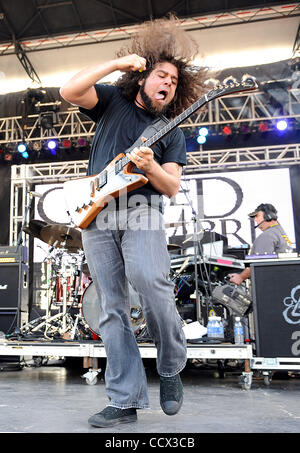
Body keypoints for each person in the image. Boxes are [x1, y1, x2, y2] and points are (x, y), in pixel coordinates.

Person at [60, 15, 206, 428]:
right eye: (162, 75)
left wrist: (150, 166)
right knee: (111, 307)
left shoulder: (172, 132)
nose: (168, 84)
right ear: (142, 76)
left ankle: (172, 365)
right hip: (97, 213)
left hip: (142, 211)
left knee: (151, 282)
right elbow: (69, 90)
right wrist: (117, 65)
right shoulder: (112, 102)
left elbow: (172, 185)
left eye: (174, 82)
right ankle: (124, 400)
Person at [229, 203, 292, 285]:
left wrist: (240, 277)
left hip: (271, 286)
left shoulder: (268, 235)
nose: (255, 220)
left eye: (257, 216)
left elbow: (258, 264)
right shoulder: (279, 232)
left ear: (268, 216)